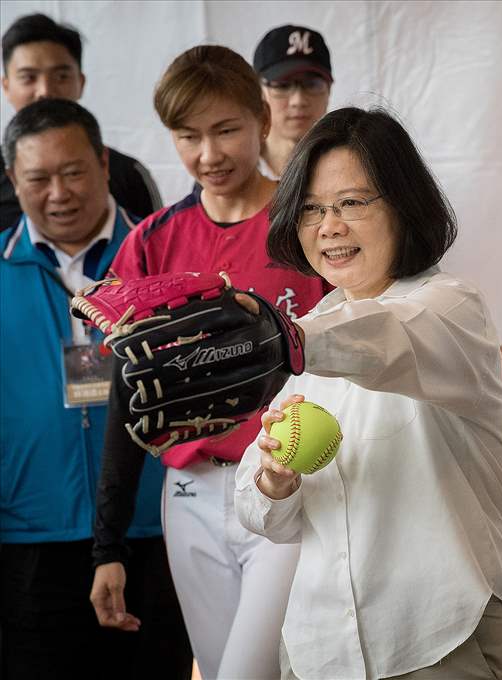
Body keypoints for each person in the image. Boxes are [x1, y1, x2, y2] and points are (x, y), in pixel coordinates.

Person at [234, 106, 502, 679]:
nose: (329, 226)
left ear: (404, 205)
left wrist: (277, 335)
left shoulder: (450, 307)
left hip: (444, 639)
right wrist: (274, 480)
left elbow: (386, 338)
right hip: (320, 651)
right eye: (312, 209)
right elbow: (263, 515)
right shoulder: (311, 334)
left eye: (352, 203)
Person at [87, 45, 327, 680]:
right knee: (221, 669)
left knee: (253, 672)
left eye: (226, 131)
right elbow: (127, 397)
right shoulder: (152, 241)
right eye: (188, 136)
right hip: (188, 491)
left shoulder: (310, 227)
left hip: (286, 476)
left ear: (262, 122)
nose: (209, 155)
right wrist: (106, 544)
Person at [0, 98, 190, 679]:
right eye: (38, 178)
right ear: (13, 180)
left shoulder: (163, 258)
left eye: (74, 171)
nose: (58, 193)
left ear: (105, 163)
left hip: (155, 529)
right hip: (30, 541)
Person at [1, 13, 162, 231]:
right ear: (7, 86)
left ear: (81, 81)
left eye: (61, 76)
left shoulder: (127, 174)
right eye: (29, 78)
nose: (45, 91)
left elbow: (158, 253)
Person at [252, 24, 333, 180]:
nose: (298, 100)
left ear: (329, 91)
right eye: (282, 86)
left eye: (312, 84)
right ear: (258, 92)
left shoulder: (352, 170)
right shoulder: (233, 172)